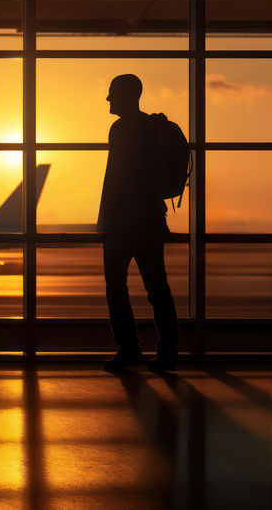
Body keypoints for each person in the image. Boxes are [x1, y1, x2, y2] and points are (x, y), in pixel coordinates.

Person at [99, 74, 179, 372]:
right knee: (157, 287)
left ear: (126, 95)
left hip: (123, 221)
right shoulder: (152, 127)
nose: (108, 99)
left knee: (116, 287)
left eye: (111, 93)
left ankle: (129, 349)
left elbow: (116, 177)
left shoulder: (121, 129)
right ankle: (168, 350)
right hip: (150, 219)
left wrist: (105, 218)